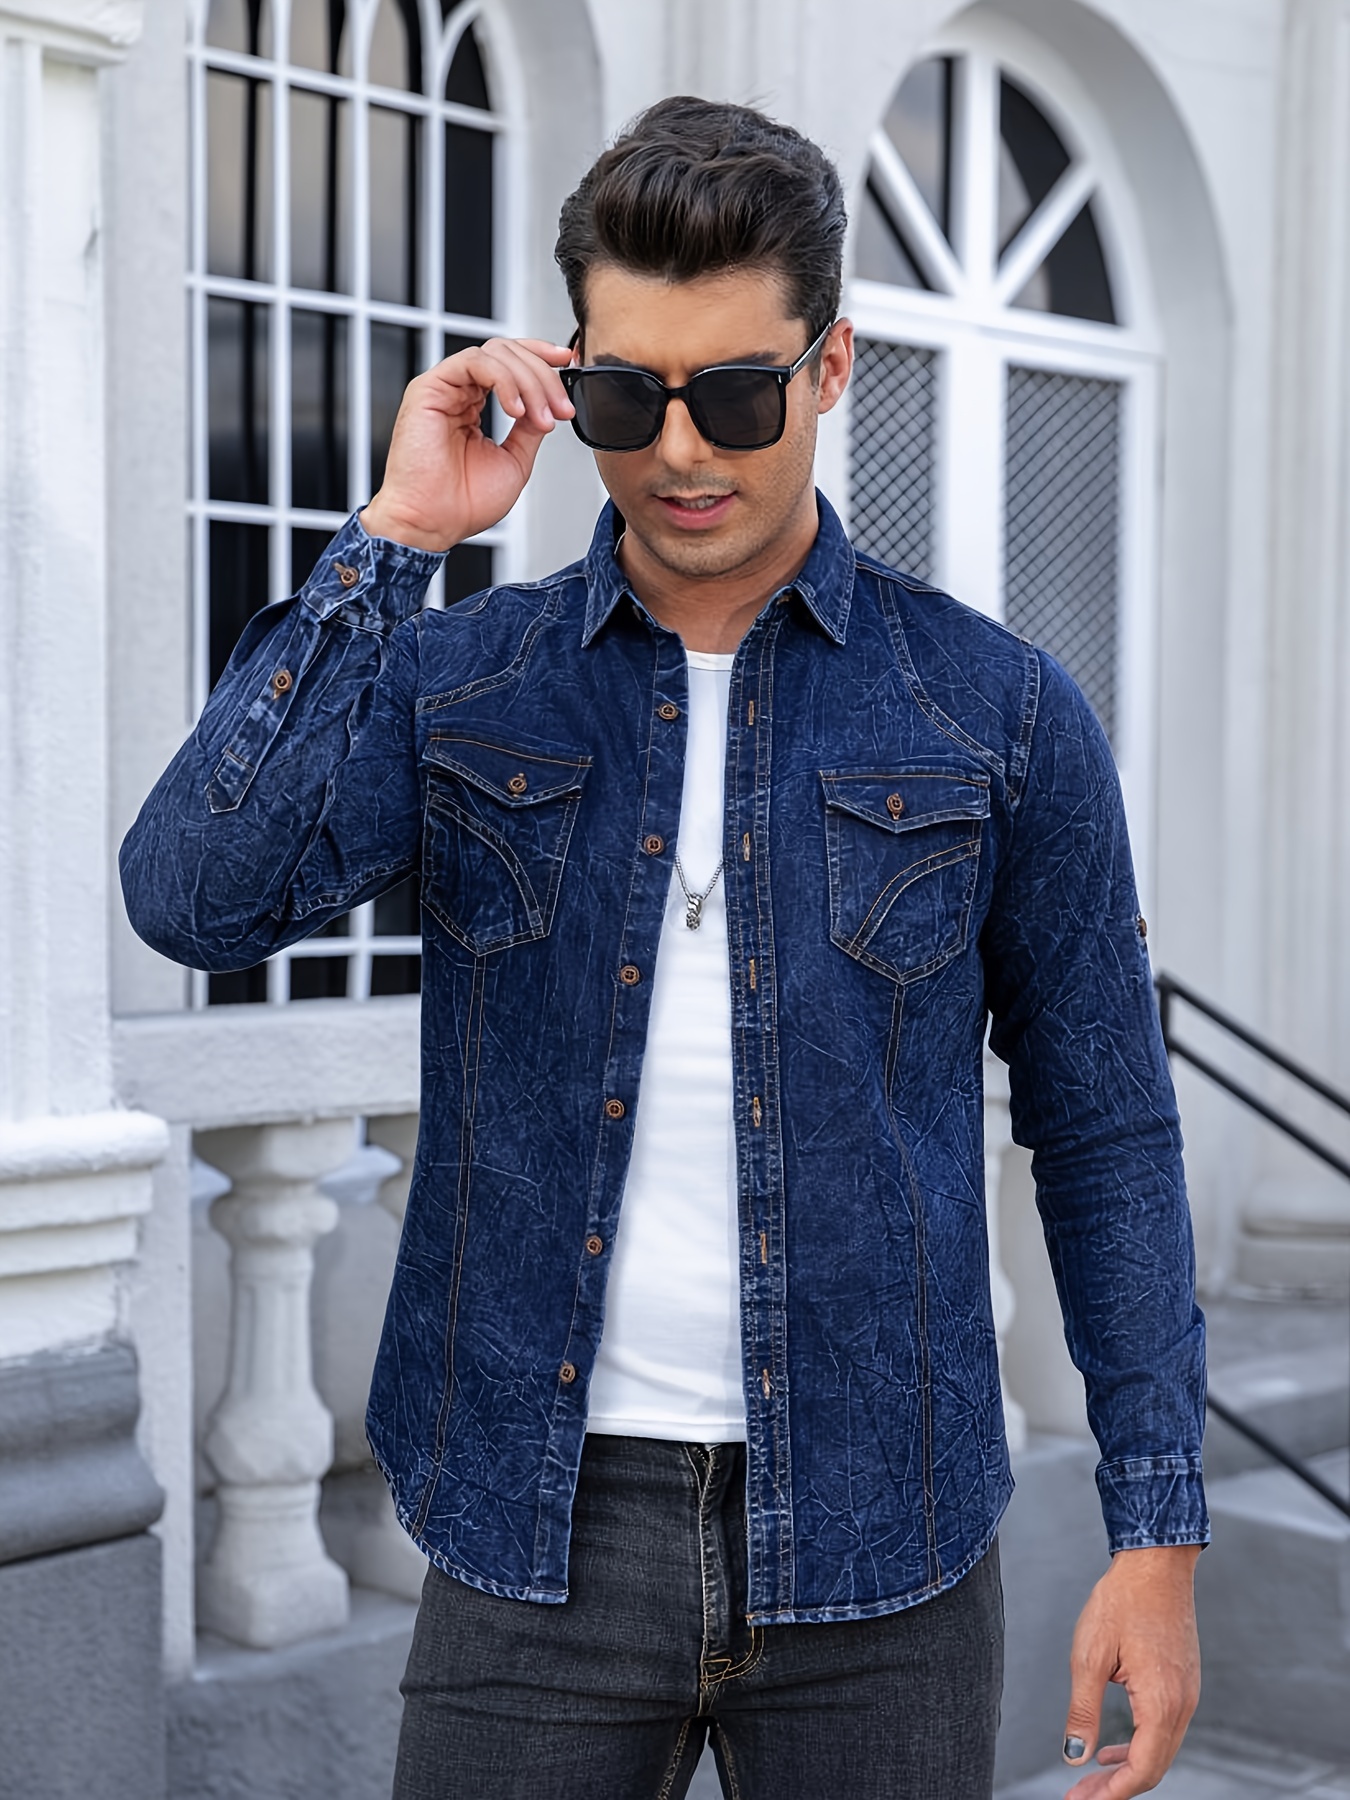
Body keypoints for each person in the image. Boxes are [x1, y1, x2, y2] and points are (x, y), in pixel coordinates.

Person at [122, 97, 1208, 1800]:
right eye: (629, 397)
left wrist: (1154, 1525)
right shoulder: (467, 678)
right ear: (571, 381)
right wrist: (395, 542)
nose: (683, 453)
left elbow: (1104, 1125)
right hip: (528, 1525)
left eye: (738, 394)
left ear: (829, 368)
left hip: (885, 1531)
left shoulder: (990, 707)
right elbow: (194, 897)